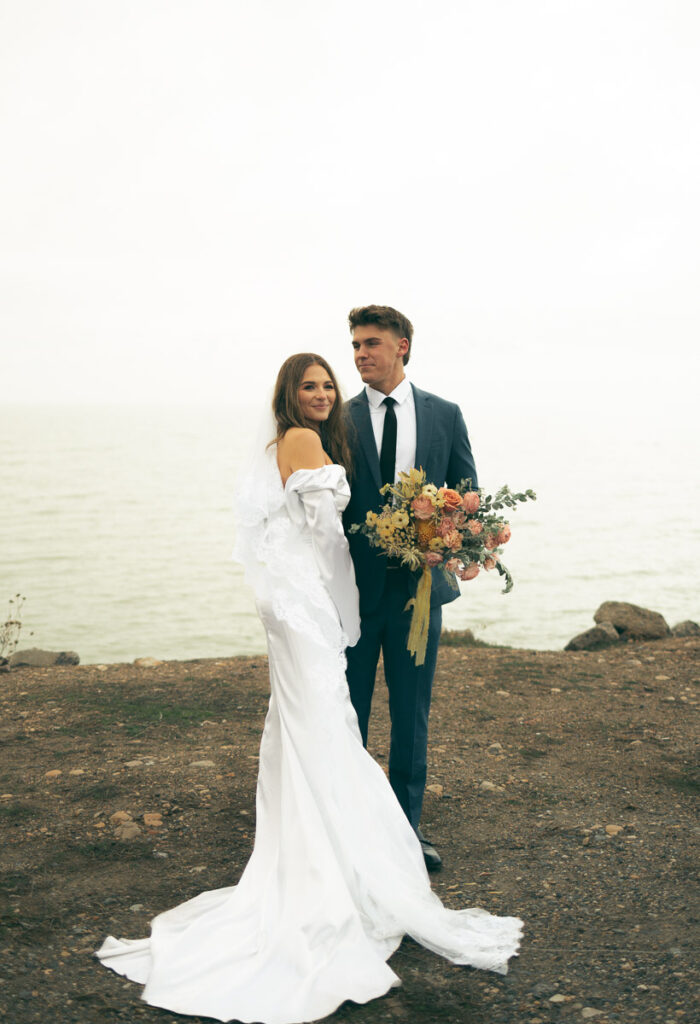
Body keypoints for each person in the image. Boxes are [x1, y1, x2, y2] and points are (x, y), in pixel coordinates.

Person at [95, 353, 520, 1024]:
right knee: (324, 725)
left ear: (401, 348)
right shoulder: (306, 438)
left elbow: (287, 528)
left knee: (314, 727)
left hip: (301, 603)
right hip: (310, 605)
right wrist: (342, 601)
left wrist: (438, 540)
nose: (325, 391)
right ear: (290, 395)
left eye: (330, 383)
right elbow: (326, 538)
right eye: (312, 384)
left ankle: (329, 849)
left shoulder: (335, 433)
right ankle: (343, 865)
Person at [343, 305, 478, 872]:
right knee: (347, 715)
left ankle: (405, 833)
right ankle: (345, 831)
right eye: (354, 345)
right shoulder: (336, 418)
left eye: (371, 343)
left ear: (402, 346)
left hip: (418, 594)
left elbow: (468, 494)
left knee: (411, 714)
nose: (360, 354)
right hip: (349, 594)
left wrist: (458, 542)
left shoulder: (444, 414)